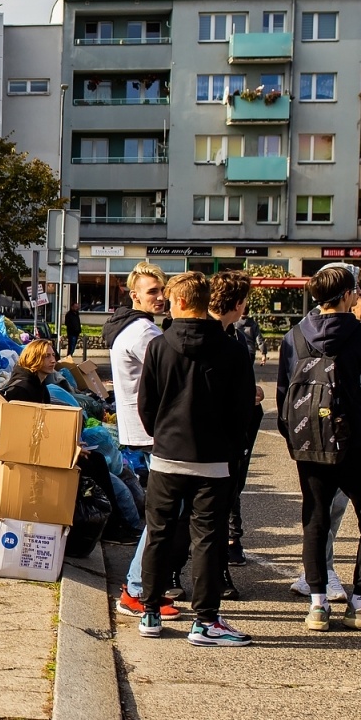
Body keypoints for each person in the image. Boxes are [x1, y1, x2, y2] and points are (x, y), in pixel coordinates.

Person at [277, 265, 361, 633]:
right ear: (348, 294)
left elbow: (284, 395)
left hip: (309, 440)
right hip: (354, 440)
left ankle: (317, 606)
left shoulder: (295, 335)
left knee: (315, 520)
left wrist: (295, 440)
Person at [135, 272, 255, 645]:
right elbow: (242, 408)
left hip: (167, 455)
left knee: (159, 533)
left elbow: (147, 404)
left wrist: (162, 435)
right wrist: (232, 448)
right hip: (214, 459)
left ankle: (151, 612)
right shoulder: (233, 349)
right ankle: (205, 621)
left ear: (182, 302)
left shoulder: (159, 346)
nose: (167, 305)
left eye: (170, 299)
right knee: (207, 538)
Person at [105, 262, 180, 619]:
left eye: (163, 290)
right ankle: (137, 588)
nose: (161, 297)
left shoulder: (129, 328)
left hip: (143, 429)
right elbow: (174, 376)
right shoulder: (144, 333)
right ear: (135, 296)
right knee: (165, 513)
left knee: (164, 512)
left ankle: (142, 585)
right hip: (155, 430)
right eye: (153, 292)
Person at [209, 271, 265, 582]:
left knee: (231, 491)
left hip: (236, 431)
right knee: (206, 505)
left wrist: (251, 393)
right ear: (240, 303)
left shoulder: (237, 336)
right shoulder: (204, 335)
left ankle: (229, 550)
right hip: (211, 435)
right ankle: (184, 578)